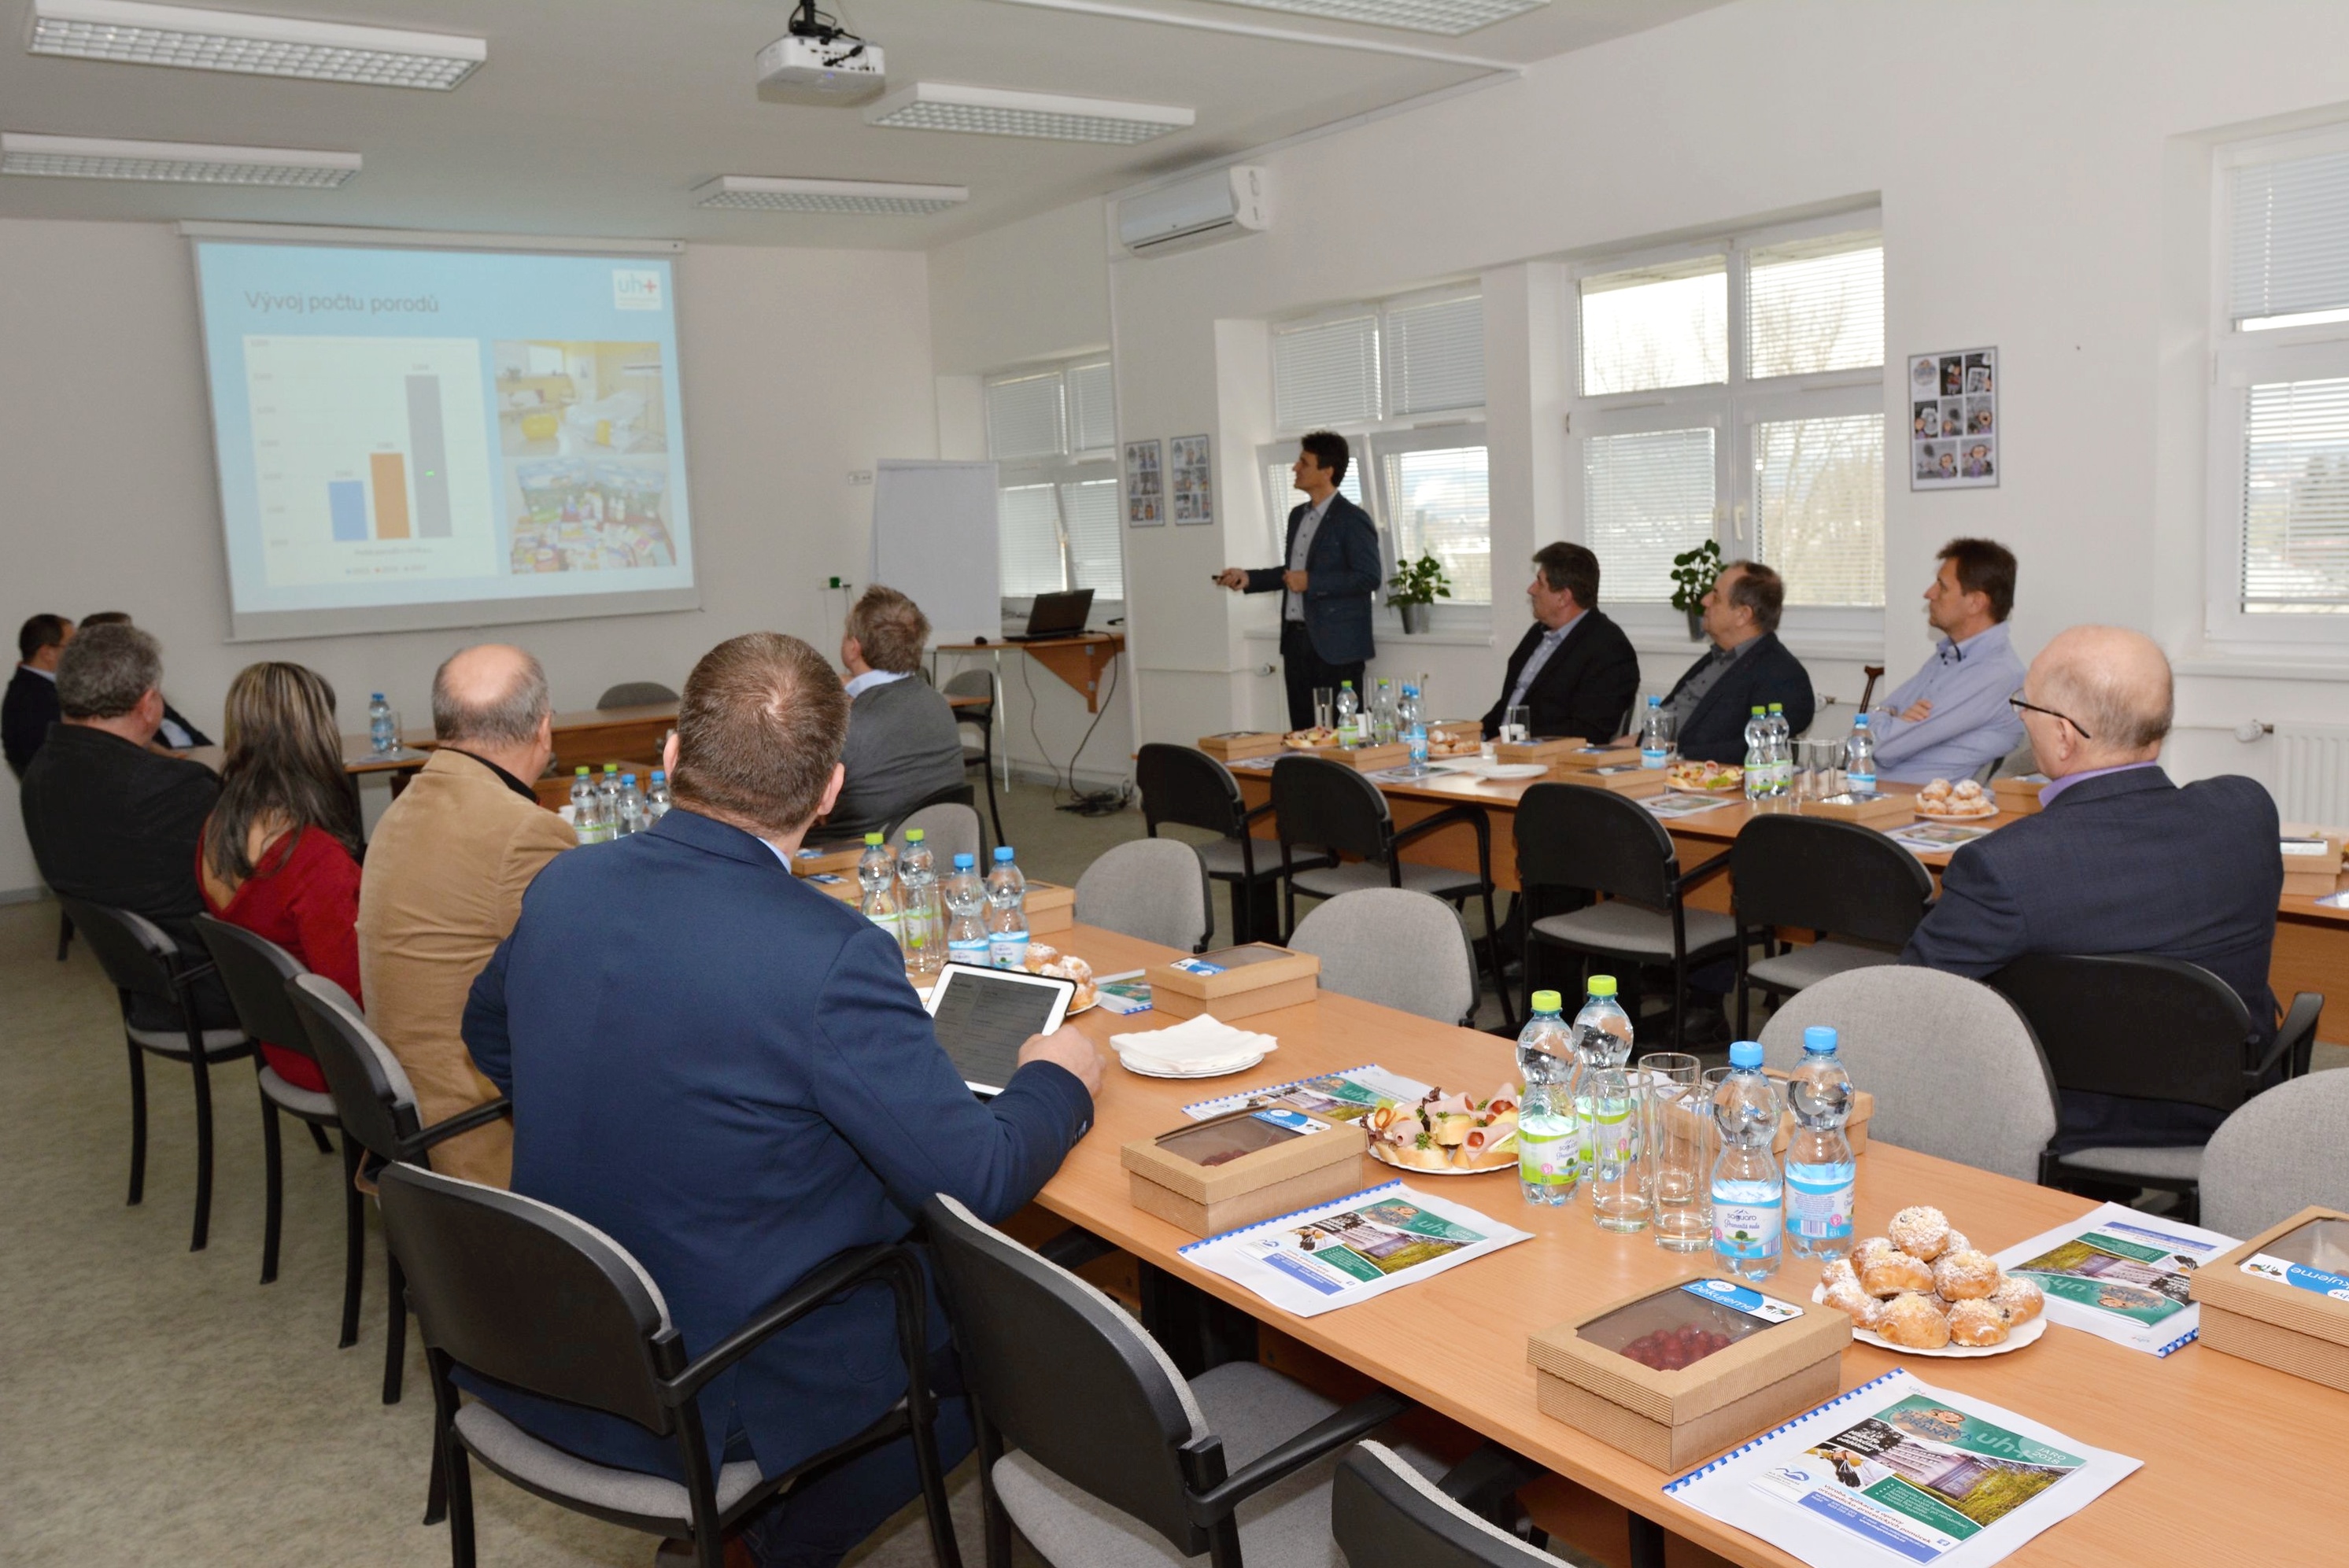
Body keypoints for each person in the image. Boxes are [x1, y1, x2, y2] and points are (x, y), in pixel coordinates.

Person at [463, 631, 1100, 1567]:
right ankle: (771, 1550)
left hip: (553, 1327)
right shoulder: (831, 952)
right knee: (997, 1343)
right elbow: (983, 1175)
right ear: (831, 789)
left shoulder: (566, 884)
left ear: (671, 756)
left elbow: (488, 1032)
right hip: (706, 1376)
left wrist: (634, 1118)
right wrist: (1060, 1075)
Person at [1902, 626, 2282, 1150]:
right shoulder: (2247, 811)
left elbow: (1909, 993)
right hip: (2236, 1105)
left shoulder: (2003, 866)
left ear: (2063, 736)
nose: (2020, 718)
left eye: (2024, 704)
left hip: (2070, 1118)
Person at [356, 644, 572, 1186]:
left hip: (412, 1116)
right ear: (544, 729)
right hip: (480, 1134)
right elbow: (589, 985)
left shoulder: (403, 807)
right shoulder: (521, 830)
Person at [19, 622, 235, 1032]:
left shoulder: (40, 773)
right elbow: (249, 885)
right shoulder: (171, 788)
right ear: (149, 704)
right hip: (210, 989)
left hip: (143, 986)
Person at [198, 662, 364, 1094]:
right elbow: (355, 997)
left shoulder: (216, 830)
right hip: (339, 1059)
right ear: (316, 736)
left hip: (283, 1041)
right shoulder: (311, 858)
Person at [1214, 430, 1382, 730]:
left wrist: (1312, 582)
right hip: (1296, 642)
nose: (1295, 468)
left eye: (1304, 462)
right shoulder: (1297, 517)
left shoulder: (1352, 519)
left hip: (1337, 646)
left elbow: (1368, 577)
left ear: (1327, 471)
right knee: (1301, 732)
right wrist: (1249, 578)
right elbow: (1293, 572)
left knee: (1343, 734)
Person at [1864, 538, 2026, 781]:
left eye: (1942, 586)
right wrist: (1888, 715)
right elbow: (1864, 734)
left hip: (1914, 801)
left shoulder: (1996, 674)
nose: (1929, 594)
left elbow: (1883, 747)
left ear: (1975, 603)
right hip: (1879, 790)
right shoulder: (1949, 655)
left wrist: (1887, 718)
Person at [818, 585, 965, 840]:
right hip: (930, 844)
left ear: (854, 648)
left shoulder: (852, 721)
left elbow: (804, 801)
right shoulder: (937, 703)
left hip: (851, 849)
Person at [1479, 543, 1640, 742]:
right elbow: (1510, 704)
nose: (1531, 590)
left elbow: (1590, 730)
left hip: (1544, 756)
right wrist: (1477, 734)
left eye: (1540, 583)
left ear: (1563, 597)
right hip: (1502, 749)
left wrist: (1516, 741)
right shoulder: (1538, 633)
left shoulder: (1610, 649)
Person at [1656, 561, 1815, 763]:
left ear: (1742, 615)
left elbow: (1759, 750)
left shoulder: (1783, 675)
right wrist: (1641, 741)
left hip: (1693, 773)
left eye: (1716, 597)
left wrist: (1677, 755)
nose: (1705, 600)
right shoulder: (1718, 656)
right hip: (1652, 761)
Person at [79, 613, 210, 749]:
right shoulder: (100, 695)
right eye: (127, 634)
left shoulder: (144, 682)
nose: (135, 639)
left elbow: (185, 727)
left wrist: (211, 748)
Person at [5, 613, 72, 777]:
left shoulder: (29, 687)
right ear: (48, 653)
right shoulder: (37, 700)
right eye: (72, 646)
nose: (79, 653)